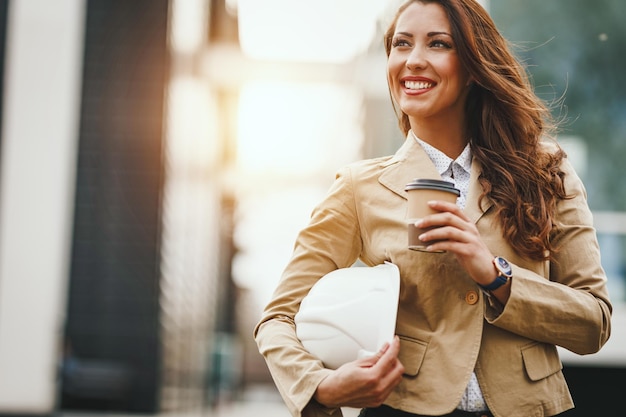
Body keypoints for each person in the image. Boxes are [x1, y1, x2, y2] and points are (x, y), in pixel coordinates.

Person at [253, 0, 612, 416]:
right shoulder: (359, 187)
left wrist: (496, 276)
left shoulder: (547, 171)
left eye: (438, 44)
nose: (414, 61)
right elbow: (278, 318)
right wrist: (321, 385)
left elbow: (594, 323)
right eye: (401, 44)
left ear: (475, 65)